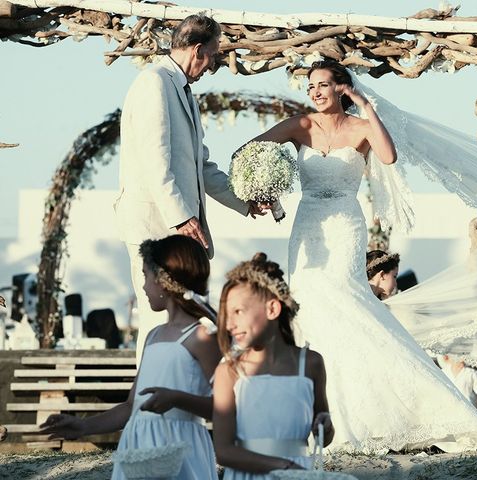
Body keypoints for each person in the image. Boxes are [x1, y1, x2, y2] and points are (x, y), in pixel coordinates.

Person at [246, 60, 477, 452]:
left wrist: (365, 106)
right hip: (308, 226)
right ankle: (318, 413)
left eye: (323, 85)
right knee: (308, 307)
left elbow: (388, 156)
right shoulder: (300, 126)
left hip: (346, 225)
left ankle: (386, 411)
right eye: (310, 85)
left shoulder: (363, 127)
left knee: (347, 301)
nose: (315, 92)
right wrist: (268, 188)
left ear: (342, 88)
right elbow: (253, 151)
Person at [113, 14, 265, 362]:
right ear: (197, 50)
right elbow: (155, 162)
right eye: (213, 55)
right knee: (158, 320)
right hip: (153, 227)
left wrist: (245, 201)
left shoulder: (182, 90)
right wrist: (182, 218)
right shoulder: (154, 82)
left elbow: (202, 168)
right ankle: (147, 402)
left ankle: (175, 396)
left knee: (182, 318)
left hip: (174, 229)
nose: (213, 65)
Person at [40, 235, 220, 480]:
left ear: (163, 280)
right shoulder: (153, 336)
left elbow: (225, 408)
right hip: (140, 449)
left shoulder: (201, 337)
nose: (143, 286)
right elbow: (130, 407)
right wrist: (83, 426)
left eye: (145, 275)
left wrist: (178, 399)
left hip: (182, 451)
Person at [213, 253, 333, 477]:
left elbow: (324, 435)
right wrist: (283, 466)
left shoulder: (311, 364)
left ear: (272, 309)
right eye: (226, 315)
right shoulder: (228, 372)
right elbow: (223, 450)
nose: (229, 324)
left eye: (238, 312)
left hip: (297, 475)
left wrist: (325, 426)